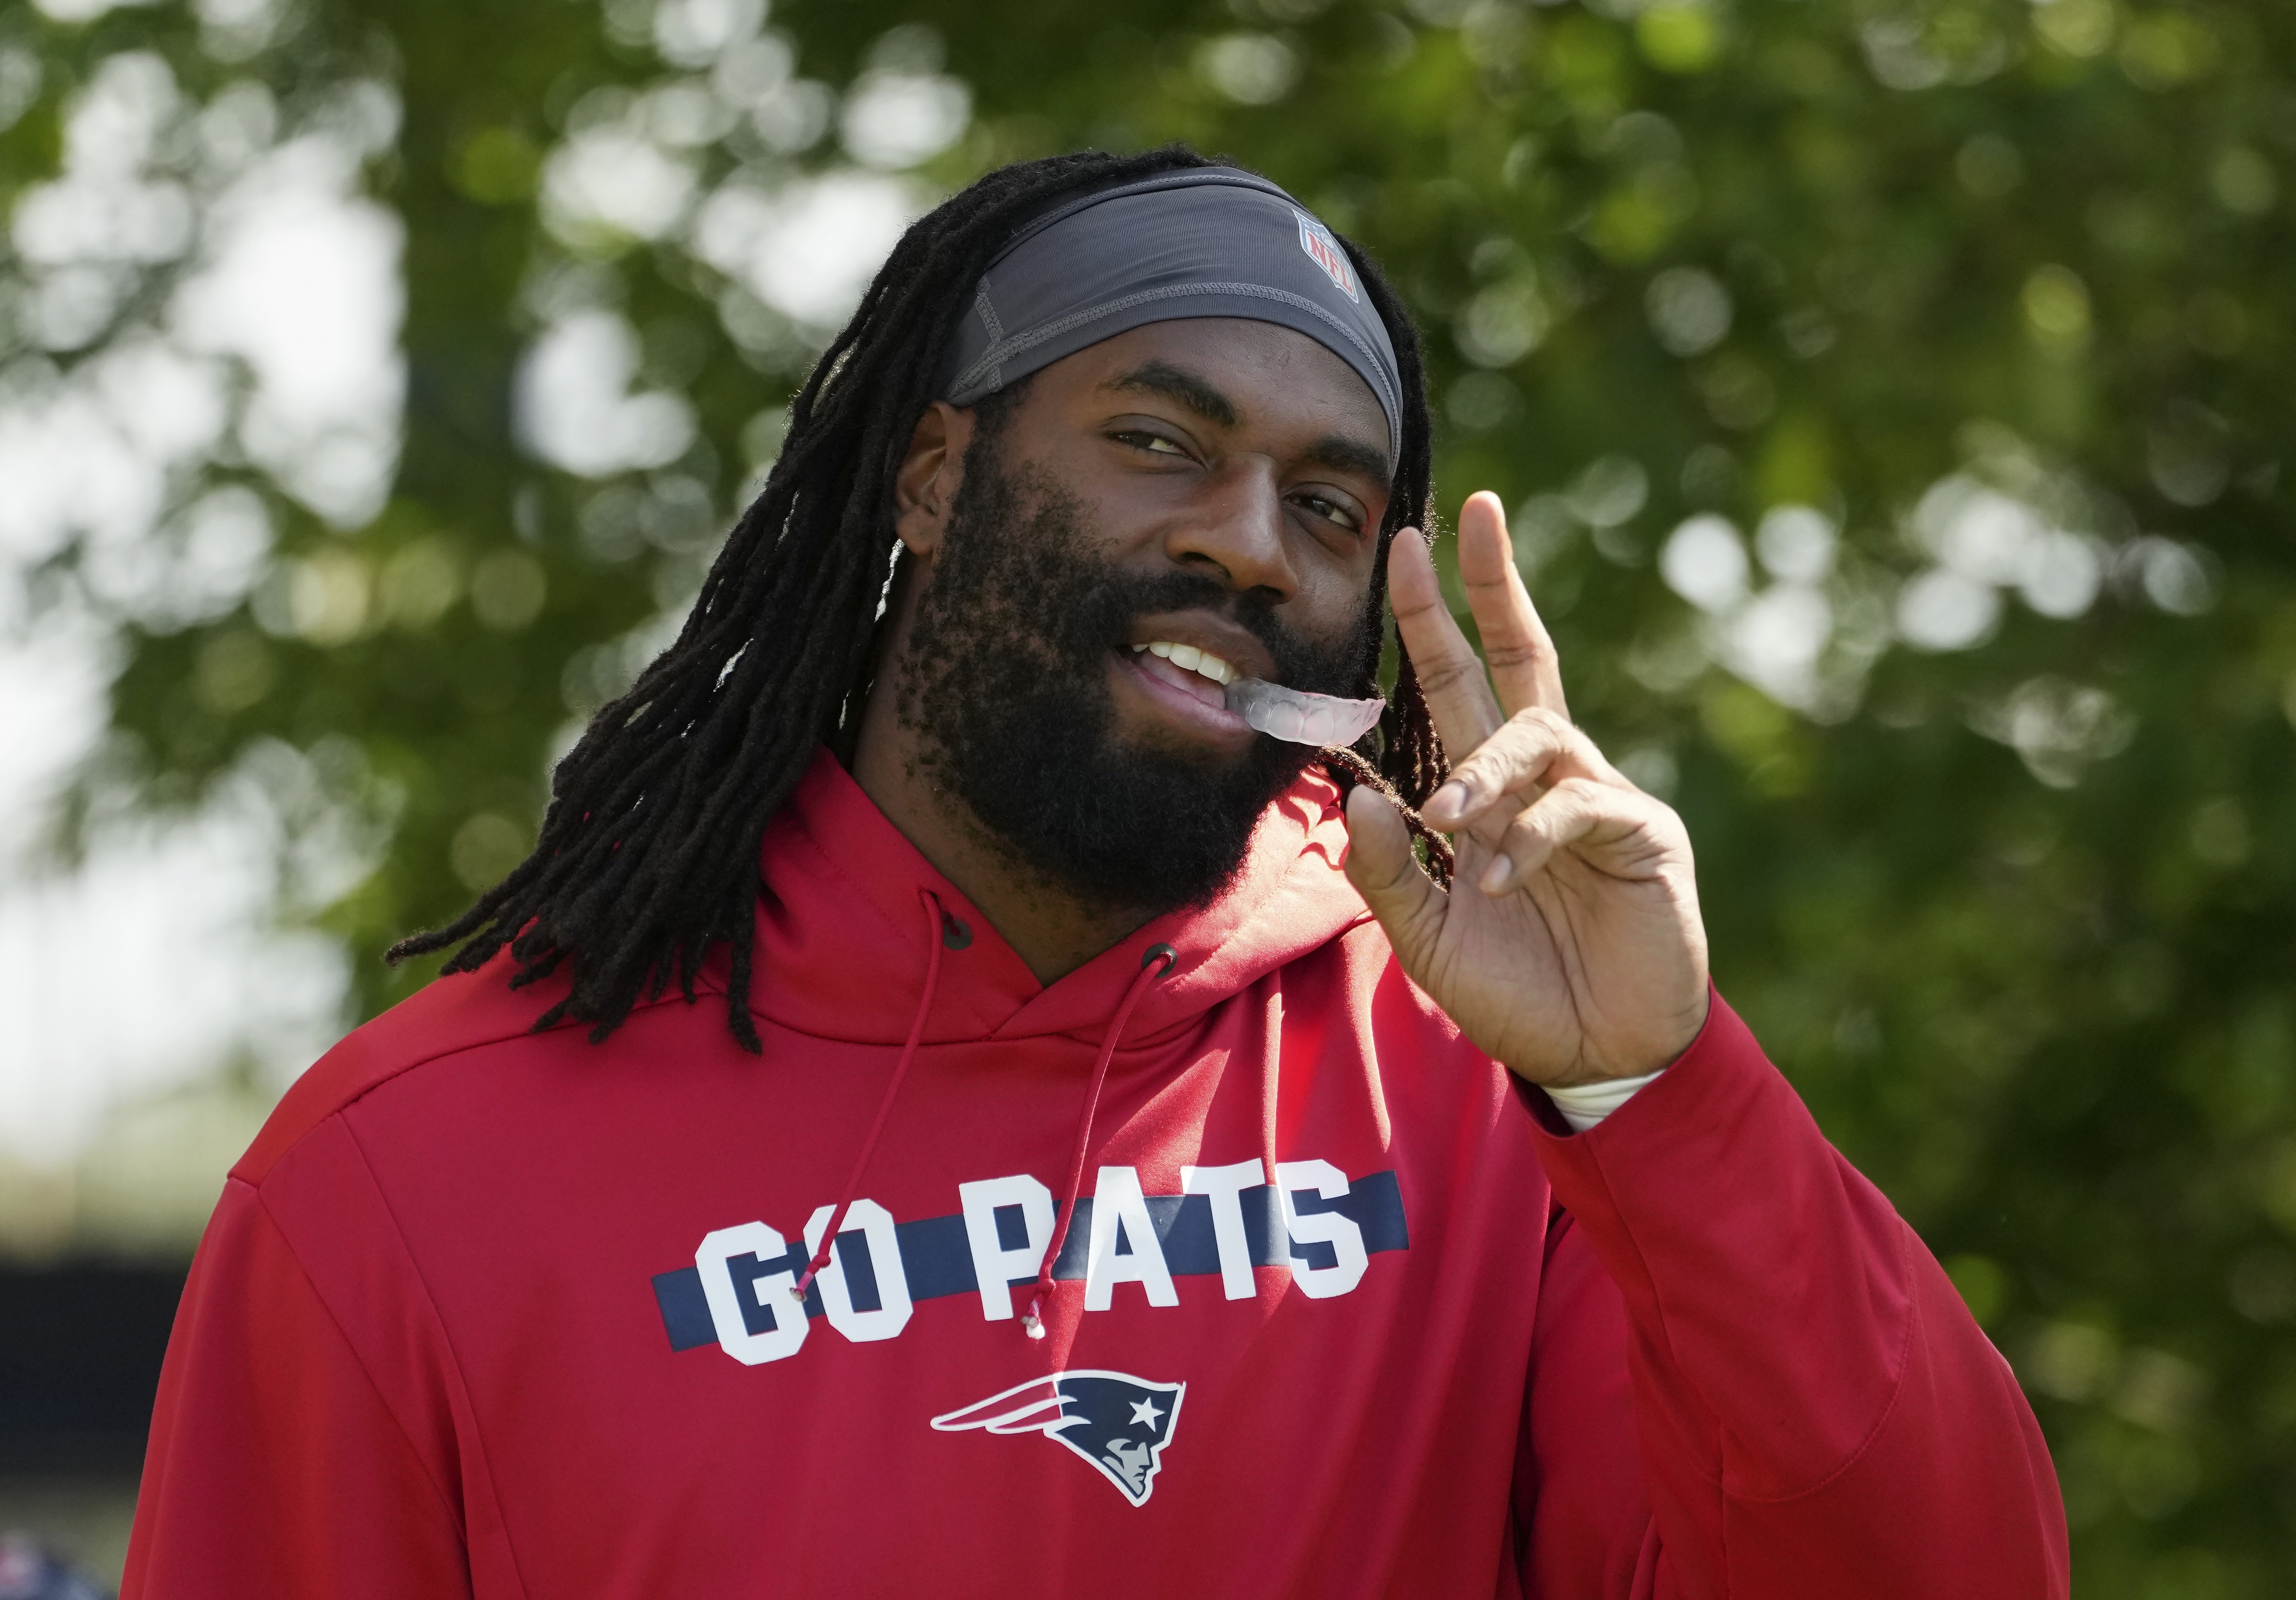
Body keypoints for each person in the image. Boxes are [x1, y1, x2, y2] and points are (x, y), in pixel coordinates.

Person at [123, 150, 2067, 1598]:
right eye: (1159, 438)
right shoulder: (411, 1167)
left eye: (1327, 503)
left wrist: (1658, 1090)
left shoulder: (1498, 1094)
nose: (1249, 545)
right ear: (932, 474)